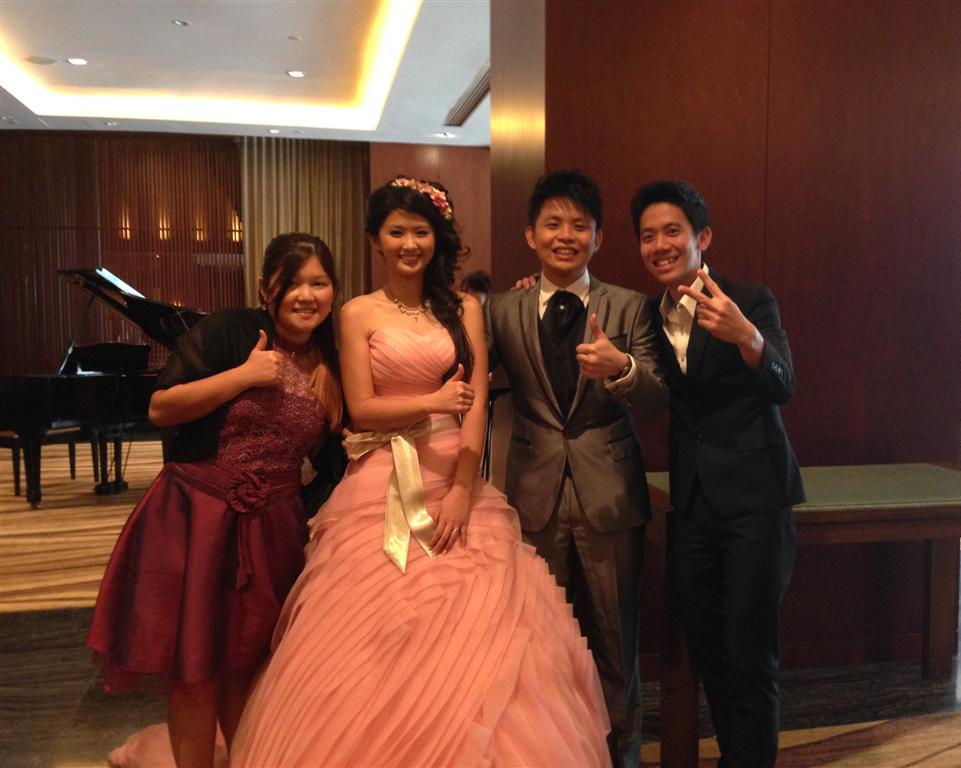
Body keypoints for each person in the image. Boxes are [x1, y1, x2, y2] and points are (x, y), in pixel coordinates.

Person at [229, 177, 611, 767]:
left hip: (454, 476)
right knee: (375, 634)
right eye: (397, 232)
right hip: (380, 482)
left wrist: (463, 487)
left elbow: (476, 403)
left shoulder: (465, 309)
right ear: (375, 240)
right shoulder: (357, 312)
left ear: (438, 238)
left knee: (482, 635)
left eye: (421, 231)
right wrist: (433, 403)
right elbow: (362, 408)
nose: (410, 243)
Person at [87, 232, 342, 768]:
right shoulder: (231, 331)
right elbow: (161, 408)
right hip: (197, 516)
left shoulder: (332, 357)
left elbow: (334, 457)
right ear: (266, 288)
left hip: (275, 527)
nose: (306, 295)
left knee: (248, 666)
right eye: (292, 283)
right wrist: (244, 376)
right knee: (196, 666)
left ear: (333, 291)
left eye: (319, 283)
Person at [486, 169, 665, 768]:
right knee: (541, 639)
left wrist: (621, 370)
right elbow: (471, 374)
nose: (566, 235)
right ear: (530, 235)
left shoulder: (631, 306)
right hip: (532, 495)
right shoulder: (502, 309)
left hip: (609, 495)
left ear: (599, 238)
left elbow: (657, 400)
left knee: (617, 638)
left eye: (579, 225)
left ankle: (622, 756)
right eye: (553, 224)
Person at [630, 180, 804, 768]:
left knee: (751, 656)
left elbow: (784, 384)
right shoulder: (647, 315)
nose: (659, 245)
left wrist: (747, 337)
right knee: (711, 653)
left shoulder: (749, 299)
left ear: (701, 237)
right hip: (692, 507)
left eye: (672, 231)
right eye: (647, 236)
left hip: (756, 502)